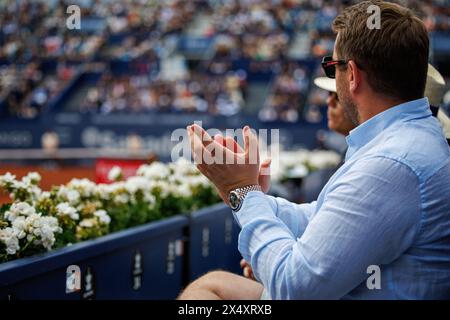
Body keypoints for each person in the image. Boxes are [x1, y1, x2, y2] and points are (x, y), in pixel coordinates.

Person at [179, 1, 450, 300]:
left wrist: (242, 191)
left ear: (353, 75)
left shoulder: (392, 162)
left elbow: (294, 287)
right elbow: (321, 217)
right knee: (212, 285)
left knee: (204, 296)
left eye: (331, 67)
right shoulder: (410, 140)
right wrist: (245, 192)